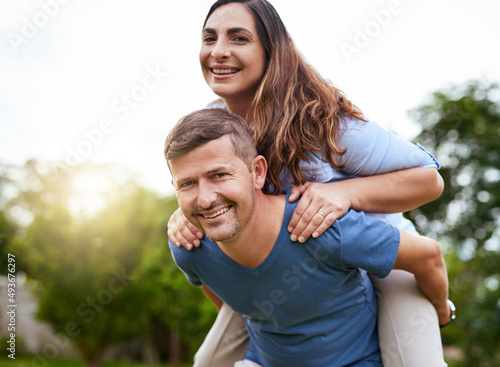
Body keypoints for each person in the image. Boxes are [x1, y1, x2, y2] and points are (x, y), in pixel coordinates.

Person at [167, 0, 450, 365]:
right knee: (208, 361)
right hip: (277, 270)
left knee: (416, 362)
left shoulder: (321, 120)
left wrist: (343, 193)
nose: (219, 51)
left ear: (271, 51)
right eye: (210, 38)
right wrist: (184, 215)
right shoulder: (215, 125)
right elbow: (209, 185)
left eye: (238, 38)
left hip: (374, 257)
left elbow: (429, 181)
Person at [164, 108, 452, 367]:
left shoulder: (320, 226)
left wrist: (441, 310)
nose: (204, 199)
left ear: (257, 173)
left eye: (219, 175)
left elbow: (428, 255)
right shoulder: (189, 247)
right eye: (187, 183)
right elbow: (220, 290)